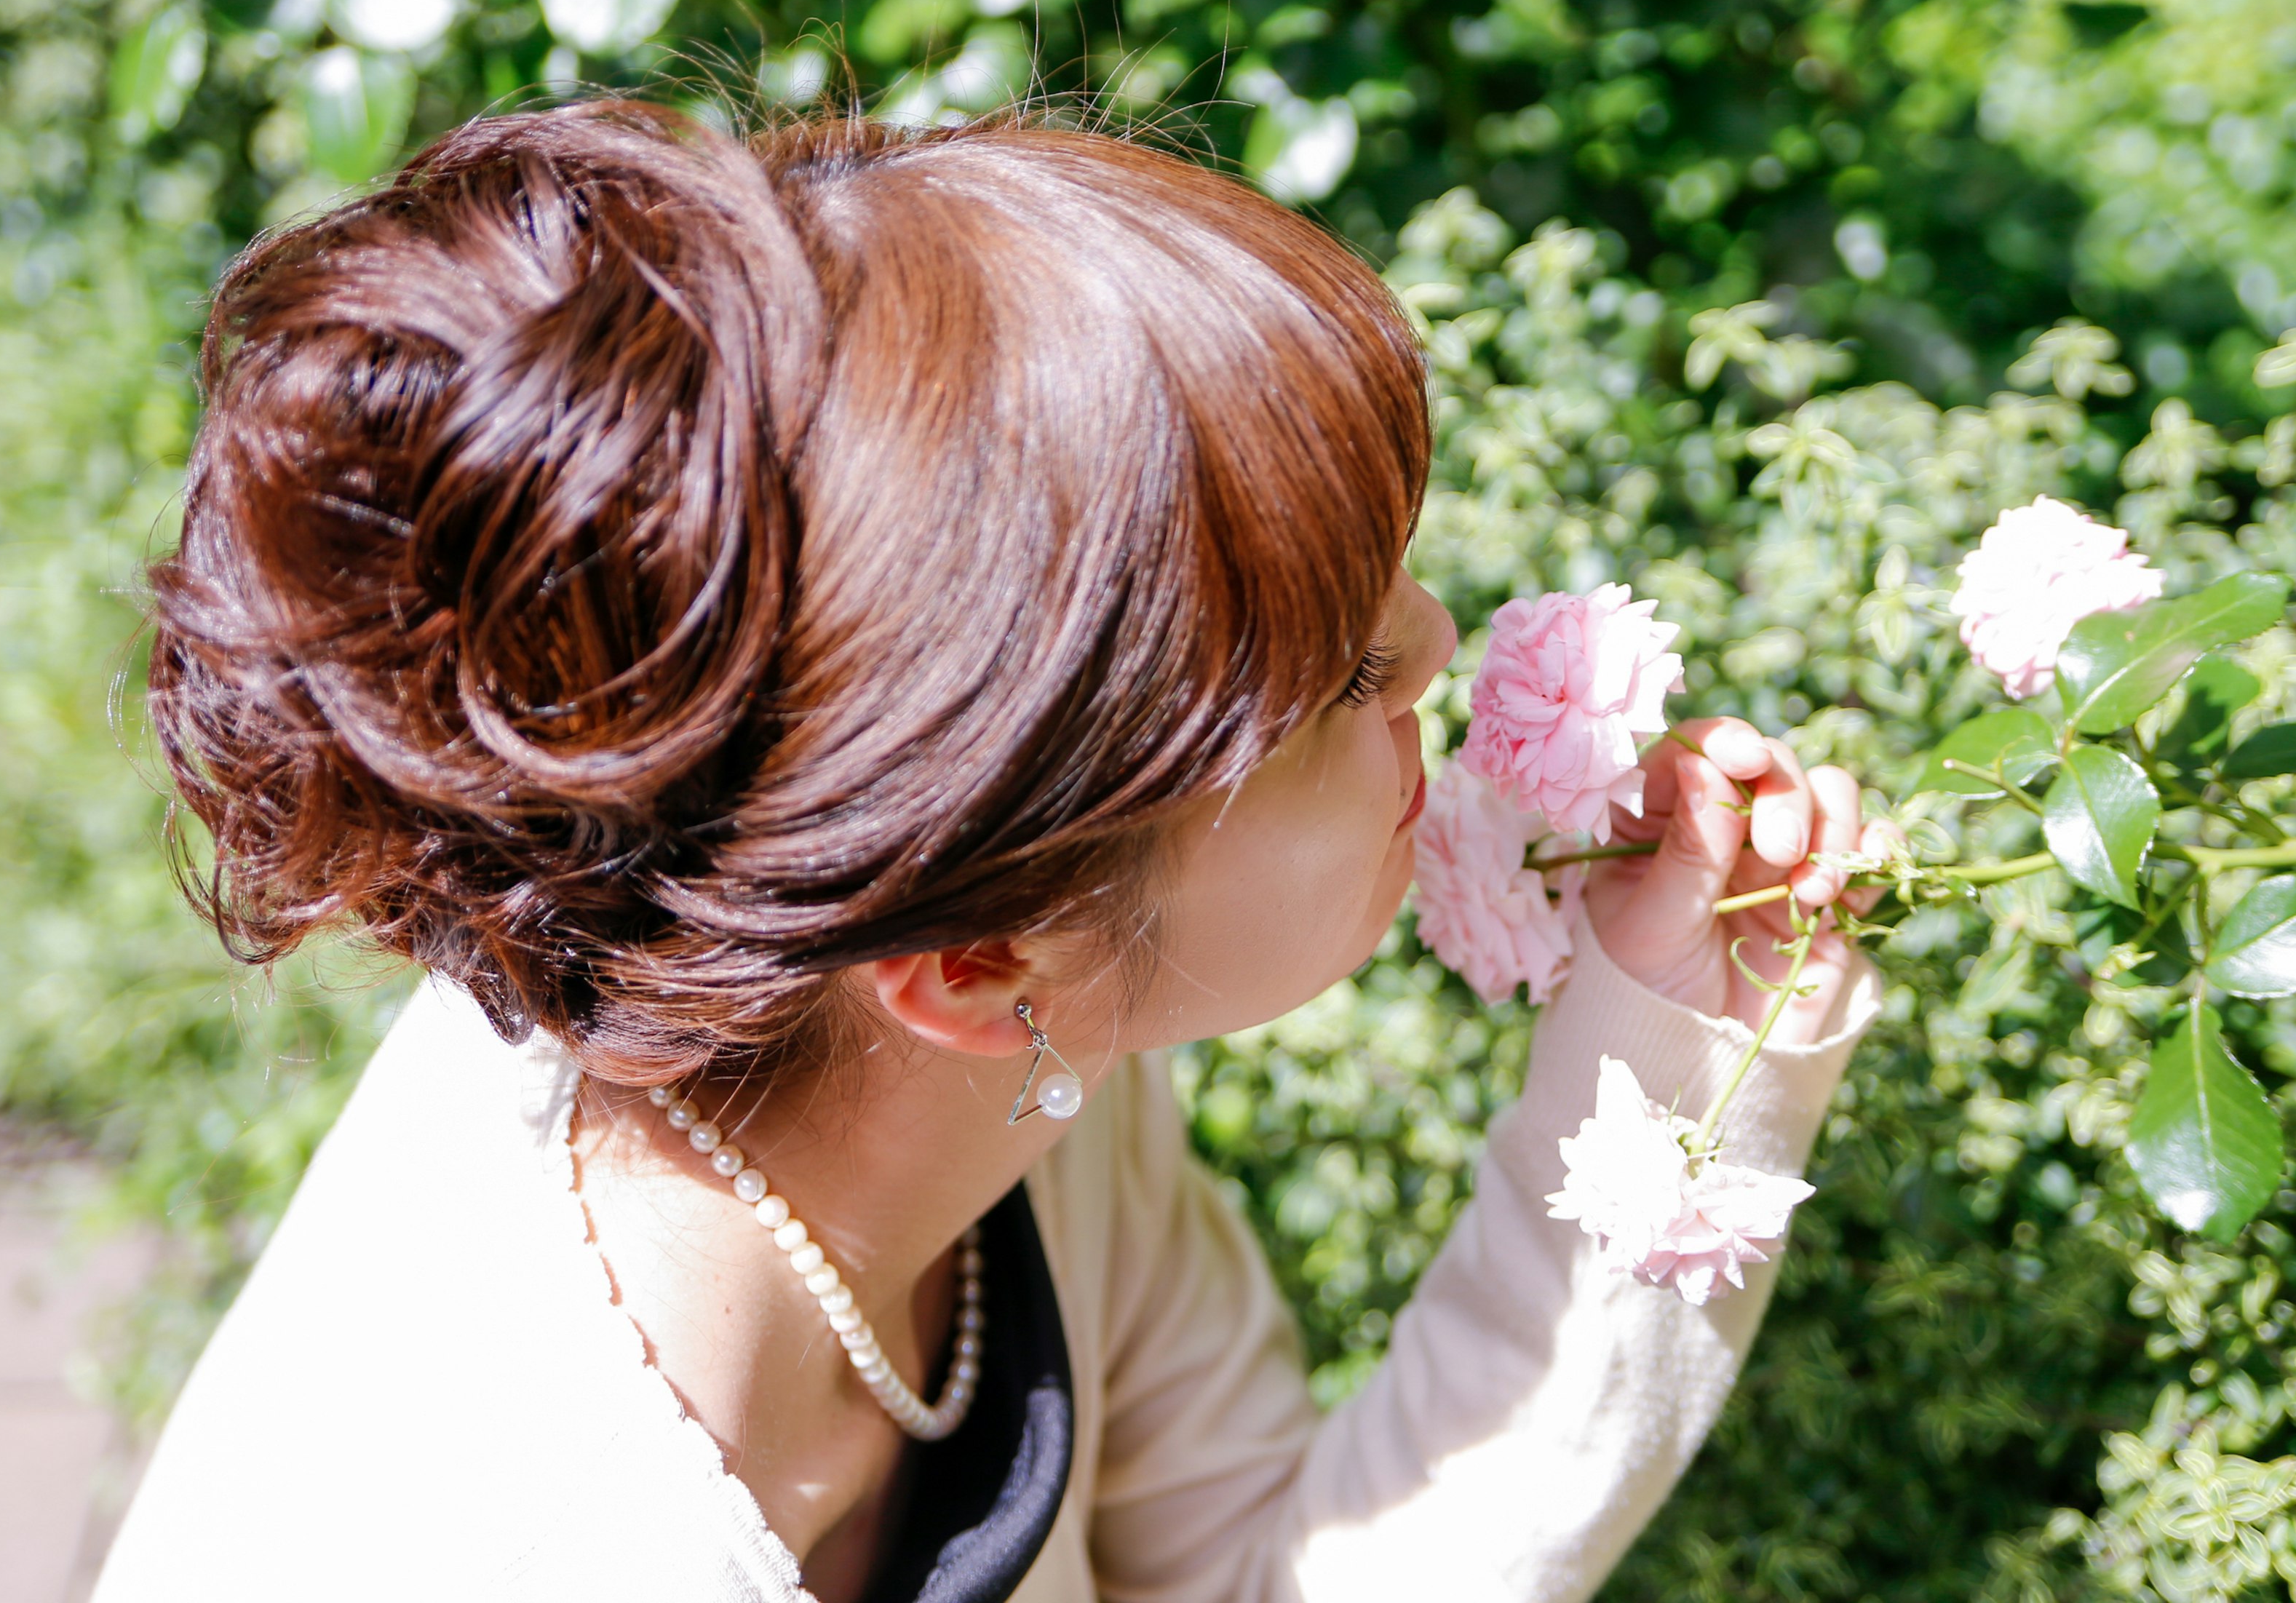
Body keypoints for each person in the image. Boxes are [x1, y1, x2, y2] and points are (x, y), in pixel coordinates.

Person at [93, 101, 1884, 1603]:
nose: (1432, 644)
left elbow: (1264, 1569)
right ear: (970, 964)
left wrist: (1661, 1049)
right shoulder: (495, 1539)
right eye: (1340, 675)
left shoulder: (966, 1046)